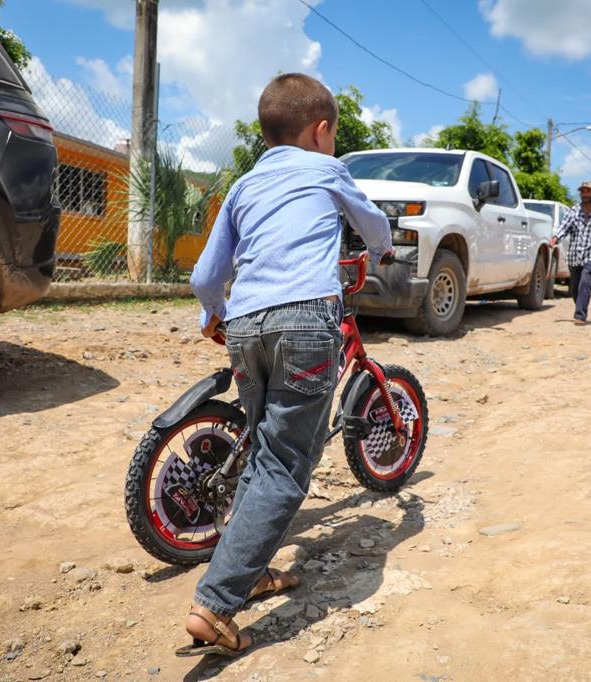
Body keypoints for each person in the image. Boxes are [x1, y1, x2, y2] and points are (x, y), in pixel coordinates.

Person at [181, 73, 393, 657]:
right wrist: (380, 250)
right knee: (286, 465)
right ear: (322, 131)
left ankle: (248, 571)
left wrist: (212, 312)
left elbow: (205, 275)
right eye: (333, 135)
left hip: (245, 324)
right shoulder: (327, 169)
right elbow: (373, 224)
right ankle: (215, 605)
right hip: (305, 320)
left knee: (263, 451)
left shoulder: (243, 185)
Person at [548, 181, 591, 325]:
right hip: (574, 255)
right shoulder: (573, 211)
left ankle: (580, 315)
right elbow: (564, 227)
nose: (585, 194)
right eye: (582, 191)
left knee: (586, 283)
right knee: (574, 287)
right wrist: (555, 238)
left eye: (588, 191)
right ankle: (580, 306)